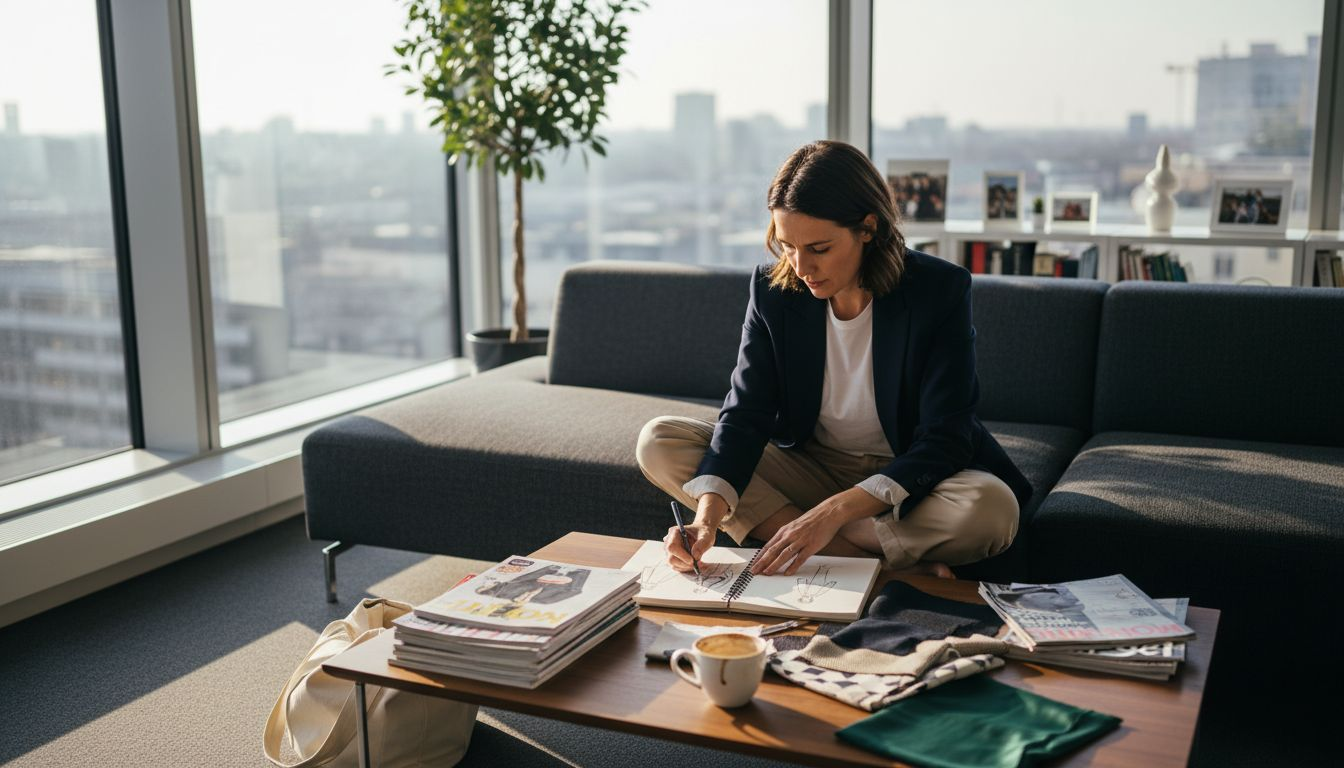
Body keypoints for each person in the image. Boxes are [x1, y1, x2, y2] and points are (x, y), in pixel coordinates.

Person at [636, 140, 1032, 579]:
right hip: (811, 463)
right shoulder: (772, 293)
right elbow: (746, 413)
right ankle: (882, 570)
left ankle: (817, 540)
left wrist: (832, 512)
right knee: (659, 441)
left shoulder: (938, 290)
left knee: (992, 509)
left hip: (908, 476)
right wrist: (705, 521)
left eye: (819, 248)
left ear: (867, 228)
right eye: (787, 246)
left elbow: (946, 437)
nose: (802, 266)